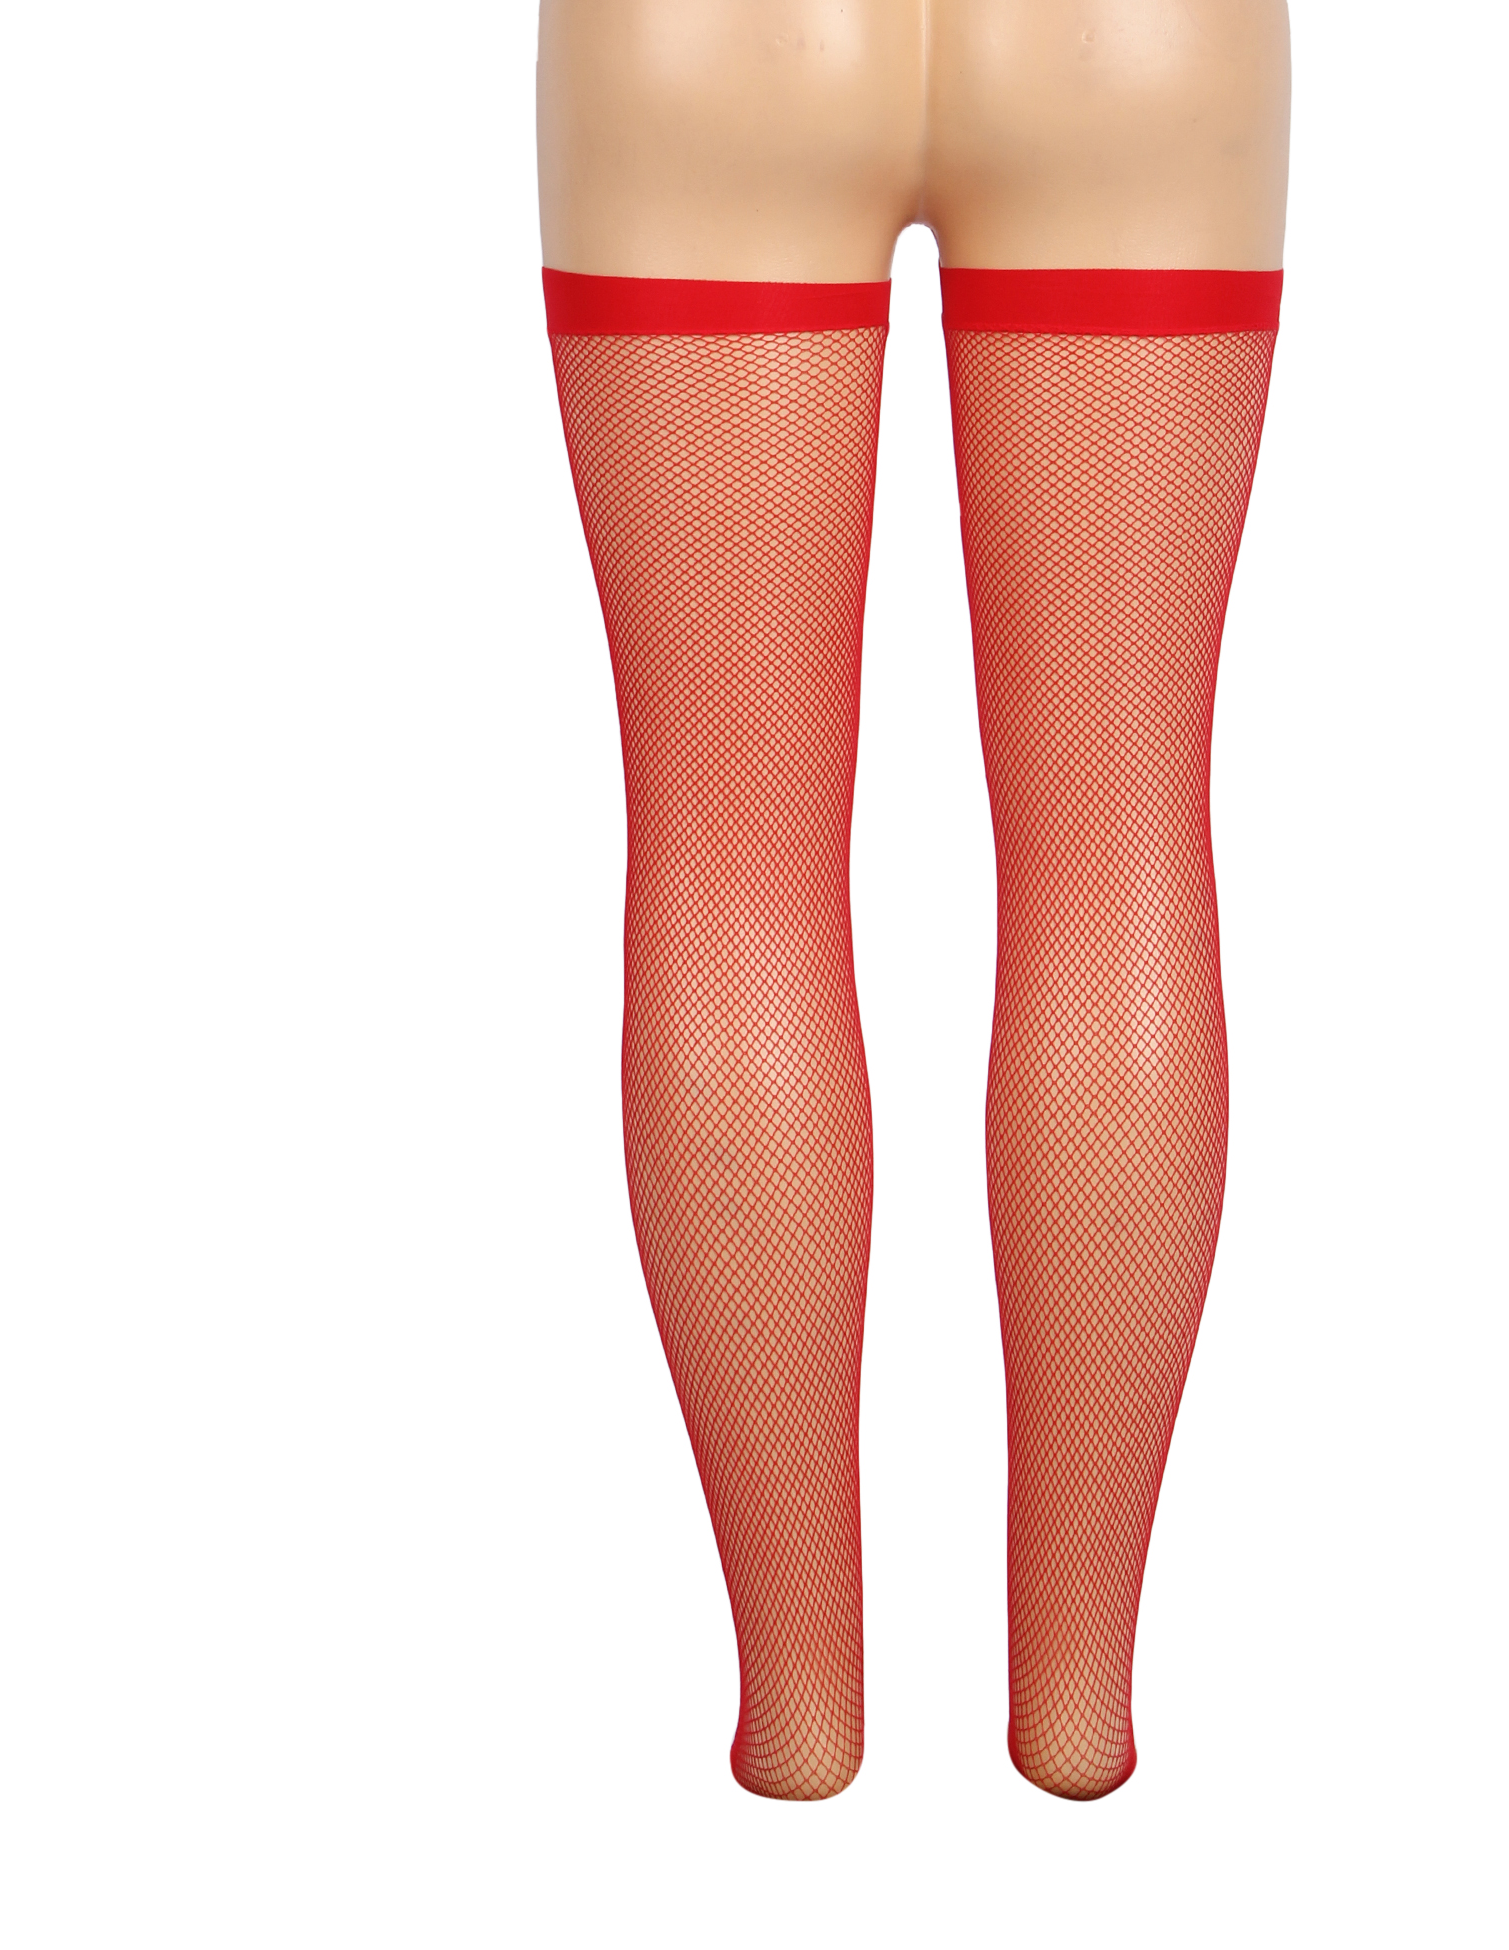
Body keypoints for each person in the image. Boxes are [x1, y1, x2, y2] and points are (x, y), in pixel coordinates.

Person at [536, 0, 1290, 1801]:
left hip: (703, 43)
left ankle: (799, 1716)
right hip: (1135, 43)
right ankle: (1076, 1707)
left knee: (725, 867)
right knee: (1122, 844)